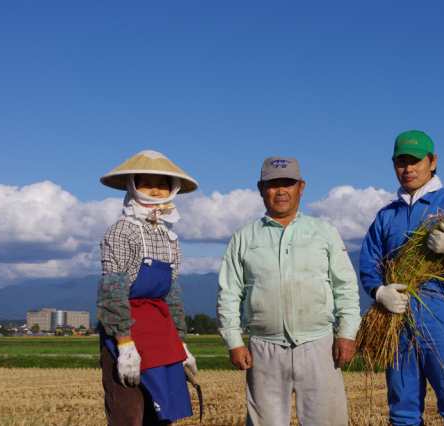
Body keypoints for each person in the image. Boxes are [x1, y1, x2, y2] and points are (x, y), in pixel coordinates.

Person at [217, 157, 361, 426]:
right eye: (273, 185)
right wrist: (234, 341)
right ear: (261, 189)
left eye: (288, 183)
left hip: (319, 346)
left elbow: (346, 287)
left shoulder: (323, 232)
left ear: (301, 187)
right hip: (264, 349)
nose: (281, 191)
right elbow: (229, 292)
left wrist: (347, 333)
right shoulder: (244, 237)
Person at [359, 130, 444, 426]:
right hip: (397, 323)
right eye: (401, 162)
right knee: (402, 412)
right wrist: (379, 292)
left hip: (443, 321)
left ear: (433, 161)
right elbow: (368, 263)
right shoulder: (386, 216)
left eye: (415, 161)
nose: (408, 169)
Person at [97, 150, 198, 425]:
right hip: (128, 333)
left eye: (163, 183)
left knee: (162, 414)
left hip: (160, 333)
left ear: (173, 189)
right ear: (132, 185)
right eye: (146, 182)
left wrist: (180, 341)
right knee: (129, 414)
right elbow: (112, 290)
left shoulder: (168, 236)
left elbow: (172, 293)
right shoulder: (121, 231)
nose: (155, 190)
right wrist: (125, 344)